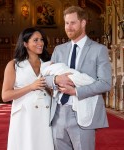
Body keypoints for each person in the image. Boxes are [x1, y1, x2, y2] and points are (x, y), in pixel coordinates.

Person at [45, 6, 112, 150]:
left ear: (83, 23)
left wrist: (75, 91)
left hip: (83, 112)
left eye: (73, 23)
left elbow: (105, 83)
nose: (68, 27)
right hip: (58, 113)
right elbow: (46, 79)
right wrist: (56, 80)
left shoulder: (99, 50)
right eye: (66, 23)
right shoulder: (59, 49)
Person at [1, 27, 54, 150]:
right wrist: (31, 87)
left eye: (41, 40)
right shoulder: (14, 65)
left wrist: (49, 87)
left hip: (45, 114)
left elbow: (54, 92)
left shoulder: (48, 64)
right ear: (25, 43)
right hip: (24, 116)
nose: (40, 43)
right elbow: (5, 95)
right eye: (35, 40)